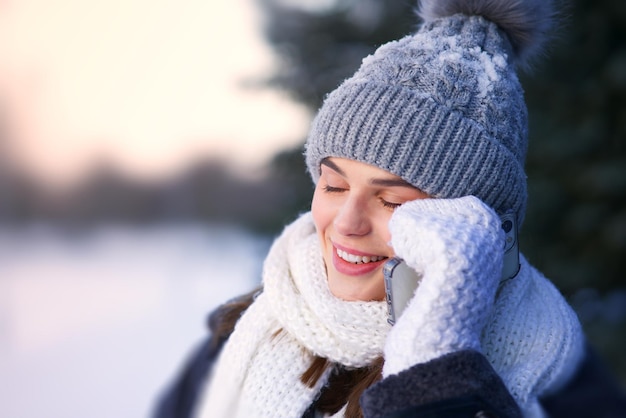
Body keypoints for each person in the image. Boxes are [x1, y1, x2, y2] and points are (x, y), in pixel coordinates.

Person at [153, 0, 626, 417]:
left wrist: (437, 369)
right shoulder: (241, 334)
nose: (347, 224)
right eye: (334, 185)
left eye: (392, 200)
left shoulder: (561, 382)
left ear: (478, 228)